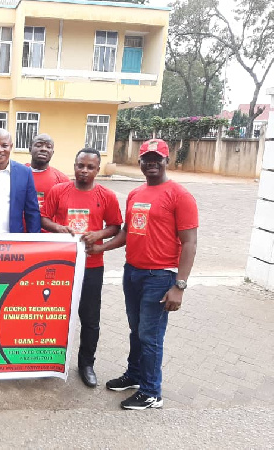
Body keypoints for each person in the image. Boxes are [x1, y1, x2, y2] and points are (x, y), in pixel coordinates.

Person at [89, 138, 198, 410]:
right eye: (146, 159)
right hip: (133, 272)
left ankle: (151, 392)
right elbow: (127, 232)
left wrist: (179, 286)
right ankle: (135, 375)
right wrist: (100, 247)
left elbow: (190, 243)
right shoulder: (136, 194)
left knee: (150, 335)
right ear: (140, 162)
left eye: (156, 158)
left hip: (160, 276)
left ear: (166, 160)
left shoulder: (180, 195)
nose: (151, 163)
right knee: (136, 330)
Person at [41, 148, 122, 388]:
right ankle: (50, 361)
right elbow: (44, 217)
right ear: (74, 165)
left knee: (90, 319)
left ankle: (86, 364)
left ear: (98, 170)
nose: (84, 171)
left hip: (91, 266)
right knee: (57, 315)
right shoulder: (58, 191)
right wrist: (58, 228)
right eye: (80, 166)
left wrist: (99, 235)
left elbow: (116, 226)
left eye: (90, 167)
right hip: (61, 264)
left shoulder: (106, 195)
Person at [27, 133, 69, 214]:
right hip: (19, 226)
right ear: (30, 150)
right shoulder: (17, 173)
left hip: (47, 226)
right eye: (38, 145)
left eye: (48, 147)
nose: (44, 149)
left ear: (52, 153)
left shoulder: (63, 180)